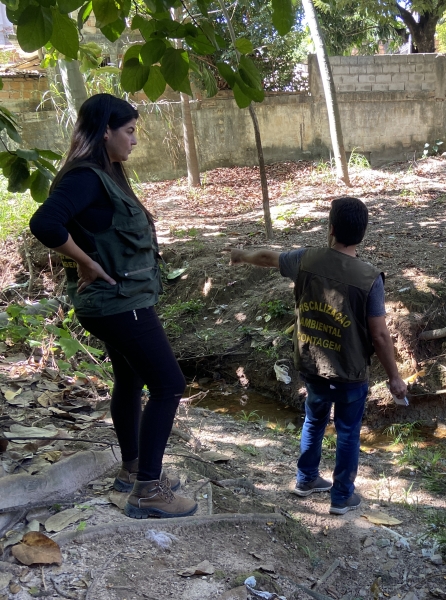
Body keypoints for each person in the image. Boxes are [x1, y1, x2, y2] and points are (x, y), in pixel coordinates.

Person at [29, 94, 197, 519]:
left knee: (132, 377)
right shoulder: (85, 177)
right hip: (117, 302)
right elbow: (44, 223)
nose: (134, 139)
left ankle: (134, 469)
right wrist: (85, 262)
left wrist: (86, 258)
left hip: (120, 301)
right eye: (129, 130)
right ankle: (148, 492)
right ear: (105, 130)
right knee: (169, 385)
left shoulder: (106, 173)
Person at [229, 196, 407, 515]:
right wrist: (394, 377)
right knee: (348, 431)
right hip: (349, 372)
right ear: (363, 233)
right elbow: (380, 335)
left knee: (314, 419)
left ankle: (306, 478)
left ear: (331, 228)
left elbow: (270, 257)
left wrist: (241, 255)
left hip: (312, 364)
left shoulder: (306, 259)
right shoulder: (369, 278)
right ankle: (341, 497)